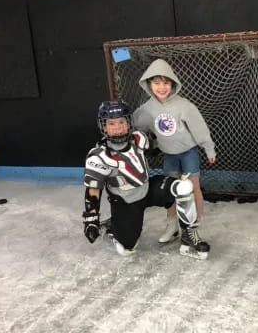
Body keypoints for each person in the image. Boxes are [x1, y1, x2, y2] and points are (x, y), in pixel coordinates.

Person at [82, 100, 210, 259]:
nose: (118, 126)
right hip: (126, 201)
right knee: (126, 249)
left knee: (184, 187)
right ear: (104, 126)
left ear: (129, 122)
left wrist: (181, 139)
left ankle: (189, 236)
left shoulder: (139, 139)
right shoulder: (99, 156)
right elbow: (93, 190)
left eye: (122, 121)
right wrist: (91, 219)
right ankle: (114, 225)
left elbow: (160, 145)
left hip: (147, 190)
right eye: (111, 123)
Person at [133, 59, 216, 245]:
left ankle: (194, 227)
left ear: (173, 83)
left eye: (166, 82)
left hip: (188, 154)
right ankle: (172, 226)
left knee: (193, 188)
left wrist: (209, 148)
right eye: (156, 83)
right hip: (169, 155)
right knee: (170, 191)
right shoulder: (147, 108)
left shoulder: (184, 105)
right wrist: (145, 143)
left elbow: (200, 129)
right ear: (149, 84)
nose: (161, 87)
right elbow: (136, 126)